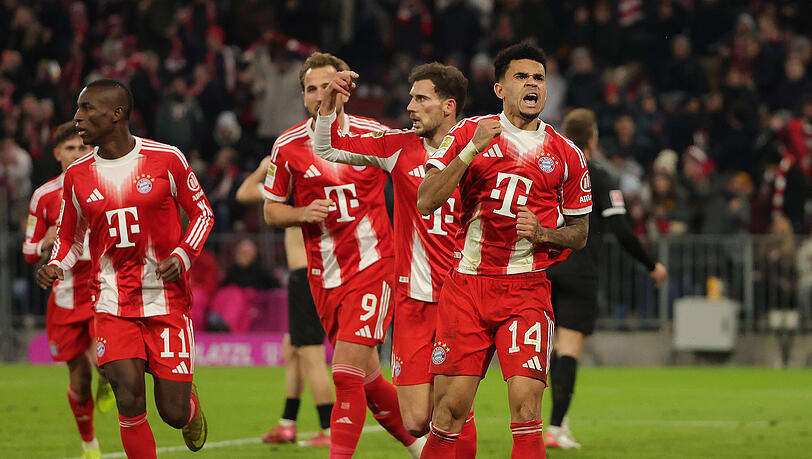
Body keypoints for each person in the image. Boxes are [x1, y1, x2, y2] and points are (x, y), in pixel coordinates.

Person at [416, 42, 591, 458]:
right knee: (448, 412)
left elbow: (581, 233)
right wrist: (472, 149)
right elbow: (426, 199)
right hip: (468, 289)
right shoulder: (467, 133)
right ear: (500, 89)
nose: (533, 84)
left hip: (526, 291)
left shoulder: (567, 154)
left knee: (527, 407)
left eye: (539, 78)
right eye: (521, 77)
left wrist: (546, 234)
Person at [36, 79, 212, 458]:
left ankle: (189, 407)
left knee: (173, 412)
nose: (77, 118)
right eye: (78, 109)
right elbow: (69, 237)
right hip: (112, 302)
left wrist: (183, 255)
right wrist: (54, 264)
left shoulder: (167, 158)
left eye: (87, 110)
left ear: (117, 114)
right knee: (128, 397)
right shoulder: (78, 176)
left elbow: (202, 213)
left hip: (166, 302)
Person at [262, 52, 422, 458]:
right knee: (367, 379)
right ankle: (421, 445)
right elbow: (270, 209)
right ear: (303, 96)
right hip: (324, 276)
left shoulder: (372, 134)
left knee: (345, 371)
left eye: (328, 86)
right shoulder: (288, 147)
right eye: (312, 88)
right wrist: (300, 212)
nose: (321, 95)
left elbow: (413, 173)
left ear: (345, 91)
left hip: (374, 264)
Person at [313, 62, 478, 456]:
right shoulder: (397, 147)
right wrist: (330, 105)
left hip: (461, 300)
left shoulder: (478, 150)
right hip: (412, 302)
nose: (411, 106)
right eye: (411, 98)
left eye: (421, 99)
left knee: (452, 407)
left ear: (448, 106)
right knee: (416, 419)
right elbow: (326, 147)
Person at [544, 108, 668, 449]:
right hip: (579, 270)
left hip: (541, 269)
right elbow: (622, 232)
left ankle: (553, 422)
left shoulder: (548, 171)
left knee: (543, 350)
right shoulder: (599, 175)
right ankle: (554, 428)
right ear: (593, 138)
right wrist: (651, 264)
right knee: (568, 349)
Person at [22, 121, 115, 459]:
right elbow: (29, 251)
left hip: (99, 288)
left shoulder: (104, 185)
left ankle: (107, 377)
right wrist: (45, 243)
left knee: (104, 362)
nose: (79, 152)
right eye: (71, 148)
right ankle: (89, 445)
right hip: (63, 296)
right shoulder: (43, 196)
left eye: (83, 147)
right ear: (58, 153)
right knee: (78, 379)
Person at [235, 157, 334, 447]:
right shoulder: (320, 187)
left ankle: (328, 430)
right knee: (291, 348)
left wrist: (264, 166)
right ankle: (287, 424)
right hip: (317, 273)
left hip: (305, 275)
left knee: (311, 354)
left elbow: (243, 193)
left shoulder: (292, 189)